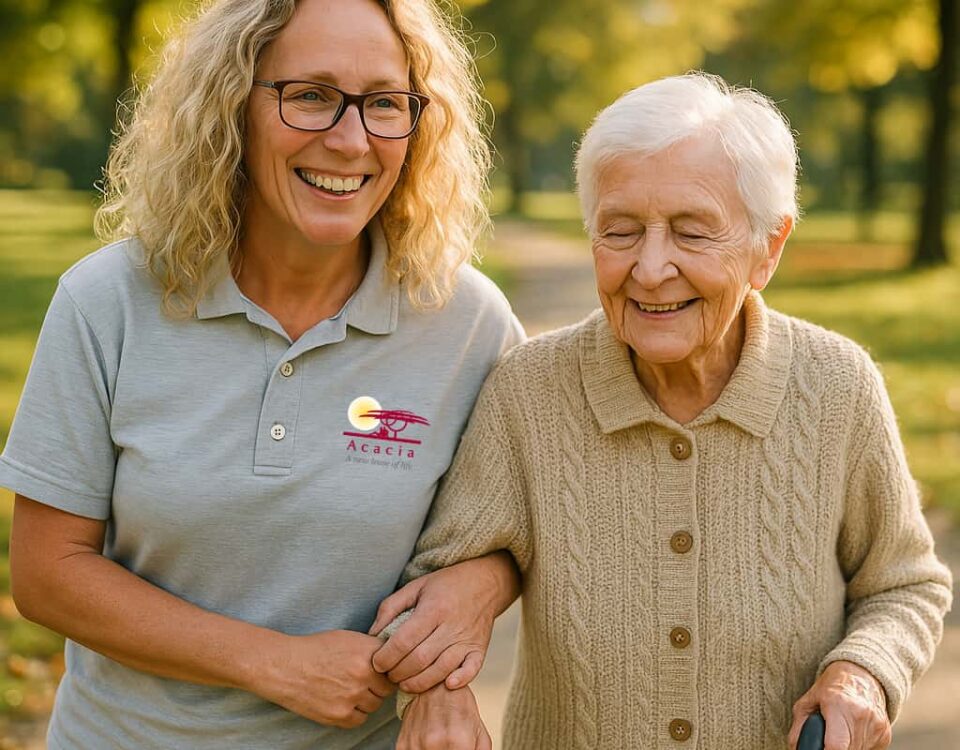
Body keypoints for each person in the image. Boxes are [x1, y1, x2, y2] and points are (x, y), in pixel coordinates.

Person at [375, 73, 953, 750]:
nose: (650, 269)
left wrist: (863, 674)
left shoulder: (836, 388)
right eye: (620, 231)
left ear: (768, 248)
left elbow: (903, 584)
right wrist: (437, 691)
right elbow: (438, 580)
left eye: (691, 232)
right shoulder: (529, 391)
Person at [0, 0, 523, 747]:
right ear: (230, 106)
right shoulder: (107, 302)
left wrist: (472, 604)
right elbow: (48, 573)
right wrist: (270, 663)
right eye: (310, 95)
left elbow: (517, 521)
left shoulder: (467, 321)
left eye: (383, 103)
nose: (351, 140)